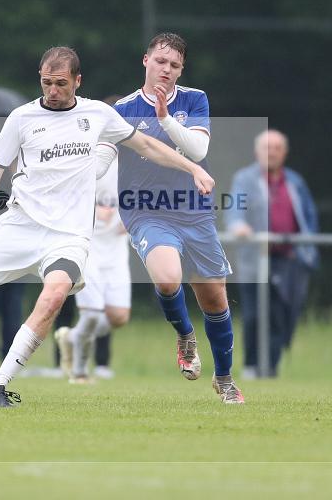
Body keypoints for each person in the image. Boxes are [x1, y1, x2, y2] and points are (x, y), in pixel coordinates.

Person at [0, 46, 220, 407]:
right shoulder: (21, 118)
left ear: (77, 82)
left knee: (52, 298)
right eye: (46, 82)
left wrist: (193, 168)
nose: (52, 91)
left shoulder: (98, 114)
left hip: (68, 237)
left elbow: (147, 144)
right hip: (19, 225)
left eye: (61, 84)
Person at [104, 32, 244, 402]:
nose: (167, 69)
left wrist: (166, 119)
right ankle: (185, 335)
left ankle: (225, 379)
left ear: (181, 70)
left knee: (214, 299)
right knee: (168, 279)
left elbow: (198, 149)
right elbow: (104, 159)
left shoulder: (194, 99)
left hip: (193, 212)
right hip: (146, 209)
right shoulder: (123, 109)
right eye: (161, 61)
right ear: (145, 61)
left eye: (175, 65)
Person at [227, 129, 319, 378]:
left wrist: (308, 247)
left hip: (289, 260)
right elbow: (234, 211)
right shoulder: (244, 179)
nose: (272, 153)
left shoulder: (295, 181)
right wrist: (239, 226)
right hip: (255, 260)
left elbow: (309, 217)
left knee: (282, 317)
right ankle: (251, 366)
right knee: (254, 315)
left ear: (285, 153)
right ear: (257, 152)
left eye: (277, 148)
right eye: (267, 148)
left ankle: (271, 368)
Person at [55, 151, 131, 383]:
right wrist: (94, 211)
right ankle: (79, 373)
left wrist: (133, 219)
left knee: (119, 316)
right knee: (91, 313)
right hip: (87, 247)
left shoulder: (132, 162)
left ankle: (72, 338)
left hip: (116, 250)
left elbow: (145, 201)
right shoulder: (82, 159)